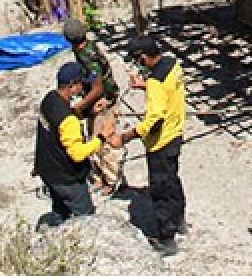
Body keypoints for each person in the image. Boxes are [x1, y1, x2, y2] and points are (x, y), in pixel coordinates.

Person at [34, 62, 124, 228]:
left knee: (60, 210)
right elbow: (77, 153)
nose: (84, 88)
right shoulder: (68, 121)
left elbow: (59, 122)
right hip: (67, 179)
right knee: (86, 218)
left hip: (47, 171)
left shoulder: (49, 99)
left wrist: (87, 112)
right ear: (72, 86)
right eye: (82, 84)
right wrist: (102, 138)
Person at [120, 35, 187, 256]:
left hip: (160, 142)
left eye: (138, 60)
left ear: (143, 57)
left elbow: (154, 119)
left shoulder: (156, 82)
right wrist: (144, 86)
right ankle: (179, 220)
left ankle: (166, 238)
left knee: (160, 189)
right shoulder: (172, 65)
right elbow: (167, 94)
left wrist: (127, 136)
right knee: (173, 180)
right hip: (175, 133)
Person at [62, 18, 123, 195]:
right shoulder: (83, 49)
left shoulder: (88, 56)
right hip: (95, 103)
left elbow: (97, 89)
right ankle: (99, 176)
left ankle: (112, 181)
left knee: (105, 143)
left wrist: (78, 107)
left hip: (103, 102)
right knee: (92, 139)